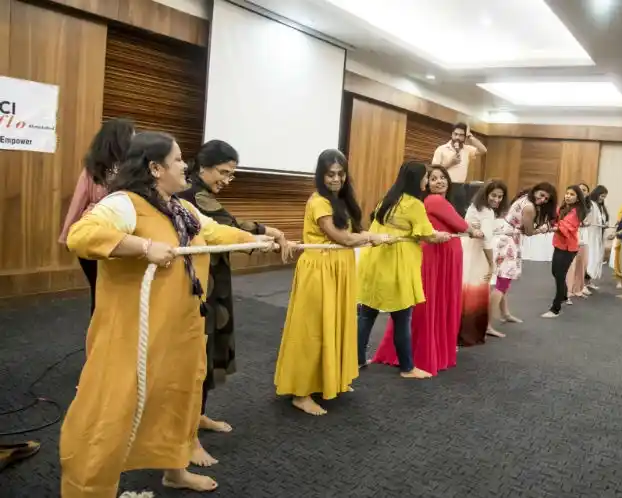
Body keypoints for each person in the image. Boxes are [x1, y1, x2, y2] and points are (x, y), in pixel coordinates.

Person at [59, 131, 260, 496]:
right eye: (178, 159)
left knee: (177, 399)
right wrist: (143, 246)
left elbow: (214, 232)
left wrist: (261, 240)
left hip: (181, 328)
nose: (185, 165)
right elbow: (81, 235)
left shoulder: (182, 209)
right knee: (110, 412)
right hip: (132, 335)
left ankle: (175, 471)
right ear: (155, 168)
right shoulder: (123, 204)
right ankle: (87, 490)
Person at [179, 140, 291, 463]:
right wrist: (267, 233)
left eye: (231, 174)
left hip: (212, 276)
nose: (227, 180)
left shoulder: (198, 194)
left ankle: (197, 416)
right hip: (199, 282)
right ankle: (185, 435)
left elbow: (225, 227)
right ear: (203, 166)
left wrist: (264, 234)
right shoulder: (192, 195)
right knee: (198, 352)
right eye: (223, 172)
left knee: (209, 346)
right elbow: (227, 227)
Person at [274, 149, 388, 416]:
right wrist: (372, 237)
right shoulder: (318, 202)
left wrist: (369, 235)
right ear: (320, 175)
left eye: (340, 174)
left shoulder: (341, 200)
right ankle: (301, 393)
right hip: (319, 270)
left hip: (339, 269)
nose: (336, 179)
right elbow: (344, 238)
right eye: (330, 174)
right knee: (313, 329)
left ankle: (329, 379)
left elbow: (351, 233)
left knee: (335, 324)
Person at [371, 166, 483, 375]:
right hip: (435, 258)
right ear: (426, 184)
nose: (439, 181)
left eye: (442, 177)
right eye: (433, 178)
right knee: (428, 303)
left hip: (444, 258)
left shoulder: (442, 202)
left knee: (436, 302)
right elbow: (460, 225)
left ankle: (428, 349)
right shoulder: (434, 200)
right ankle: (419, 353)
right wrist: (474, 231)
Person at [357, 161, 452, 379]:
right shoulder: (414, 204)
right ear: (417, 179)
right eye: (426, 177)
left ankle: (358, 359)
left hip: (374, 262)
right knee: (402, 317)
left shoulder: (388, 199)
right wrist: (440, 235)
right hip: (396, 266)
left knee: (367, 314)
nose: (427, 181)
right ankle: (408, 368)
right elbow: (426, 234)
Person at [59, 118, 136, 316]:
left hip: (94, 232)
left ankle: (101, 332)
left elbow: (78, 203)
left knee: (100, 292)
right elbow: (78, 201)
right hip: (118, 236)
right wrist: (68, 235)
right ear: (122, 139)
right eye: (132, 135)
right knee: (109, 293)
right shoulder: (132, 170)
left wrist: (67, 234)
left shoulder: (93, 169)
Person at [494, 183, 558, 329]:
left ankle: (505, 313)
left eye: (546, 199)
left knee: (502, 281)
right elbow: (529, 232)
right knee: (502, 284)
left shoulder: (524, 196)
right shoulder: (529, 207)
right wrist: (544, 229)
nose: (543, 200)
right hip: (509, 242)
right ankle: (487, 324)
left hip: (505, 237)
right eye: (542, 195)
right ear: (536, 191)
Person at [458, 180, 508, 347]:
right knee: (475, 293)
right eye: (494, 195)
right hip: (477, 254)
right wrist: (491, 264)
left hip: (466, 249)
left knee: (463, 291)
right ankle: (470, 332)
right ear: (486, 194)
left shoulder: (474, 207)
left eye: (500, 196)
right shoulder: (487, 212)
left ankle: (459, 331)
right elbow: (486, 241)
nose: (497, 199)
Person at [542, 185, 586, 318]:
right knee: (556, 272)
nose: (568, 196)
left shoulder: (576, 212)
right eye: (567, 193)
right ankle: (564, 296)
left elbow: (564, 226)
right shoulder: (563, 208)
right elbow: (554, 218)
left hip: (568, 248)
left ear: (578, 198)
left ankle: (555, 308)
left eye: (572, 194)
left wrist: (549, 227)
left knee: (560, 275)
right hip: (559, 245)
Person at [431, 122, 487, 216]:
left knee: (459, 214)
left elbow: (483, 150)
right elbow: (434, 170)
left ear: (465, 137)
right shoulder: (441, 149)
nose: (457, 137)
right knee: (445, 214)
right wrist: (450, 163)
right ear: (452, 134)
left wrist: (470, 137)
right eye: (455, 134)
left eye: (461, 135)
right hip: (445, 187)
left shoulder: (467, 149)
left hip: (460, 187)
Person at [567, 183, 593, 298]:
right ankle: (569, 290)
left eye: (584, 190)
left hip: (584, 238)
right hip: (573, 237)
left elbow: (590, 221)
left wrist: (586, 223)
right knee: (571, 265)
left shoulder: (589, 206)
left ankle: (579, 288)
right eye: (580, 189)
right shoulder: (571, 206)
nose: (582, 191)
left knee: (582, 264)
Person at [585, 185, 609, 288]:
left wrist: (605, 224)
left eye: (604, 197)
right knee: (589, 258)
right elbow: (586, 219)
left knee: (595, 259)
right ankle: (583, 283)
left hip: (598, 236)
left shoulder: (601, 207)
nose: (602, 198)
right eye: (602, 196)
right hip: (590, 235)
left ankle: (588, 281)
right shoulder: (590, 204)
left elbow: (603, 219)